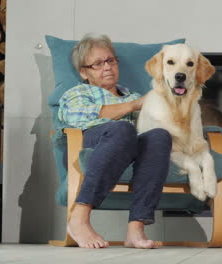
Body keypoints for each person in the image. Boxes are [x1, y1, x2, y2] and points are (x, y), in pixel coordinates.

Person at [58, 33, 172, 249]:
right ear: (84, 72)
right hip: (87, 145)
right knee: (123, 128)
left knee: (159, 136)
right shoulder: (78, 93)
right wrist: (134, 106)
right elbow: (77, 118)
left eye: (111, 60)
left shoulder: (132, 95)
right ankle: (79, 219)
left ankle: (136, 229)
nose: (107, 67)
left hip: (128, 148)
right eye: (98, 64)